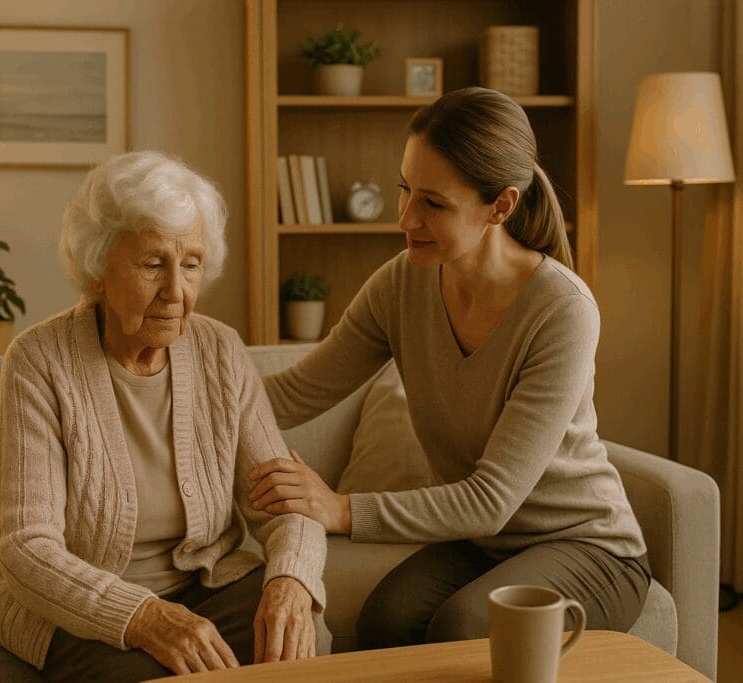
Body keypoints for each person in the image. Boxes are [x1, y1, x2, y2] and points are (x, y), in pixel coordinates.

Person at [247, 87, 650, 647]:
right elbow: (298, 392)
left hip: (587, 546)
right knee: (383, 621)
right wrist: (176, 394)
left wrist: (340, 509)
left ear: (501, 206)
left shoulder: (562, 310)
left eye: (433, 203)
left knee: (465, 627)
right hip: (484, 544)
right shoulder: (401, 283)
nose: (406, 217)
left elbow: (490, 500)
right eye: (404, 190)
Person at [0, 151, 330, 681]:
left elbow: (285, 503)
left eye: (190, 265)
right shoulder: (39, 360)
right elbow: (27, 547)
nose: (176, 292)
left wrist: (291, 583)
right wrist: (141, 616)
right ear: (97, 272)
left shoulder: (220, 350)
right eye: (151, 264)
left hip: (206, 586)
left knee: (301, 639)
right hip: (77, 601)